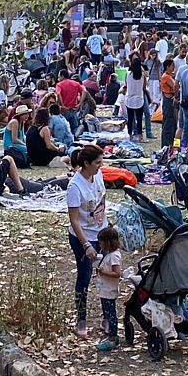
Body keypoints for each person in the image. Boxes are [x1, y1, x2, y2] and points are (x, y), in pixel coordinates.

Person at [67, 145, 107, 338]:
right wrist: (86, 245)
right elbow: (74, 220)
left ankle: (108, 316)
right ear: (86, 163)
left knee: (107, 275)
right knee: (84, 277)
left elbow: (102, 202)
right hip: (82, 236)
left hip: (101, 232)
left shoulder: (98, 176)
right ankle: (81, 318)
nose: (101, 166)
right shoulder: (75, 186)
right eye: (98, 162)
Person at [95, 227, 122, 352]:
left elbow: (117, 273)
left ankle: (112, 337)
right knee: (107, 312)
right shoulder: (108, 255)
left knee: (111, 313)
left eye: (101, 242)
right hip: (104, 289)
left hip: (109, 290)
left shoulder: (114, 257)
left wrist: (104, 272)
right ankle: (109, 331)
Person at [125, 56, 147, 141]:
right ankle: (140, 136)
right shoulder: (142, 75)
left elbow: (126, 84)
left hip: (129, 99)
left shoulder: (128, 74)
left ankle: (130, 135)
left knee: (130, 118)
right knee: (139, 118)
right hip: (139, 99)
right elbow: (144, 87)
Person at [159, 59, 177, 148]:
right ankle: (166, 145)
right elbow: (175, 86)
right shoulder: (166, 77)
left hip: (170, 101)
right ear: (167, 67)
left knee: (173, 123)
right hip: (168, 102)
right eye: (172, 65)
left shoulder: (169, 76)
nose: (174, 67)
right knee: (168, 124)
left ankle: (172, 145)